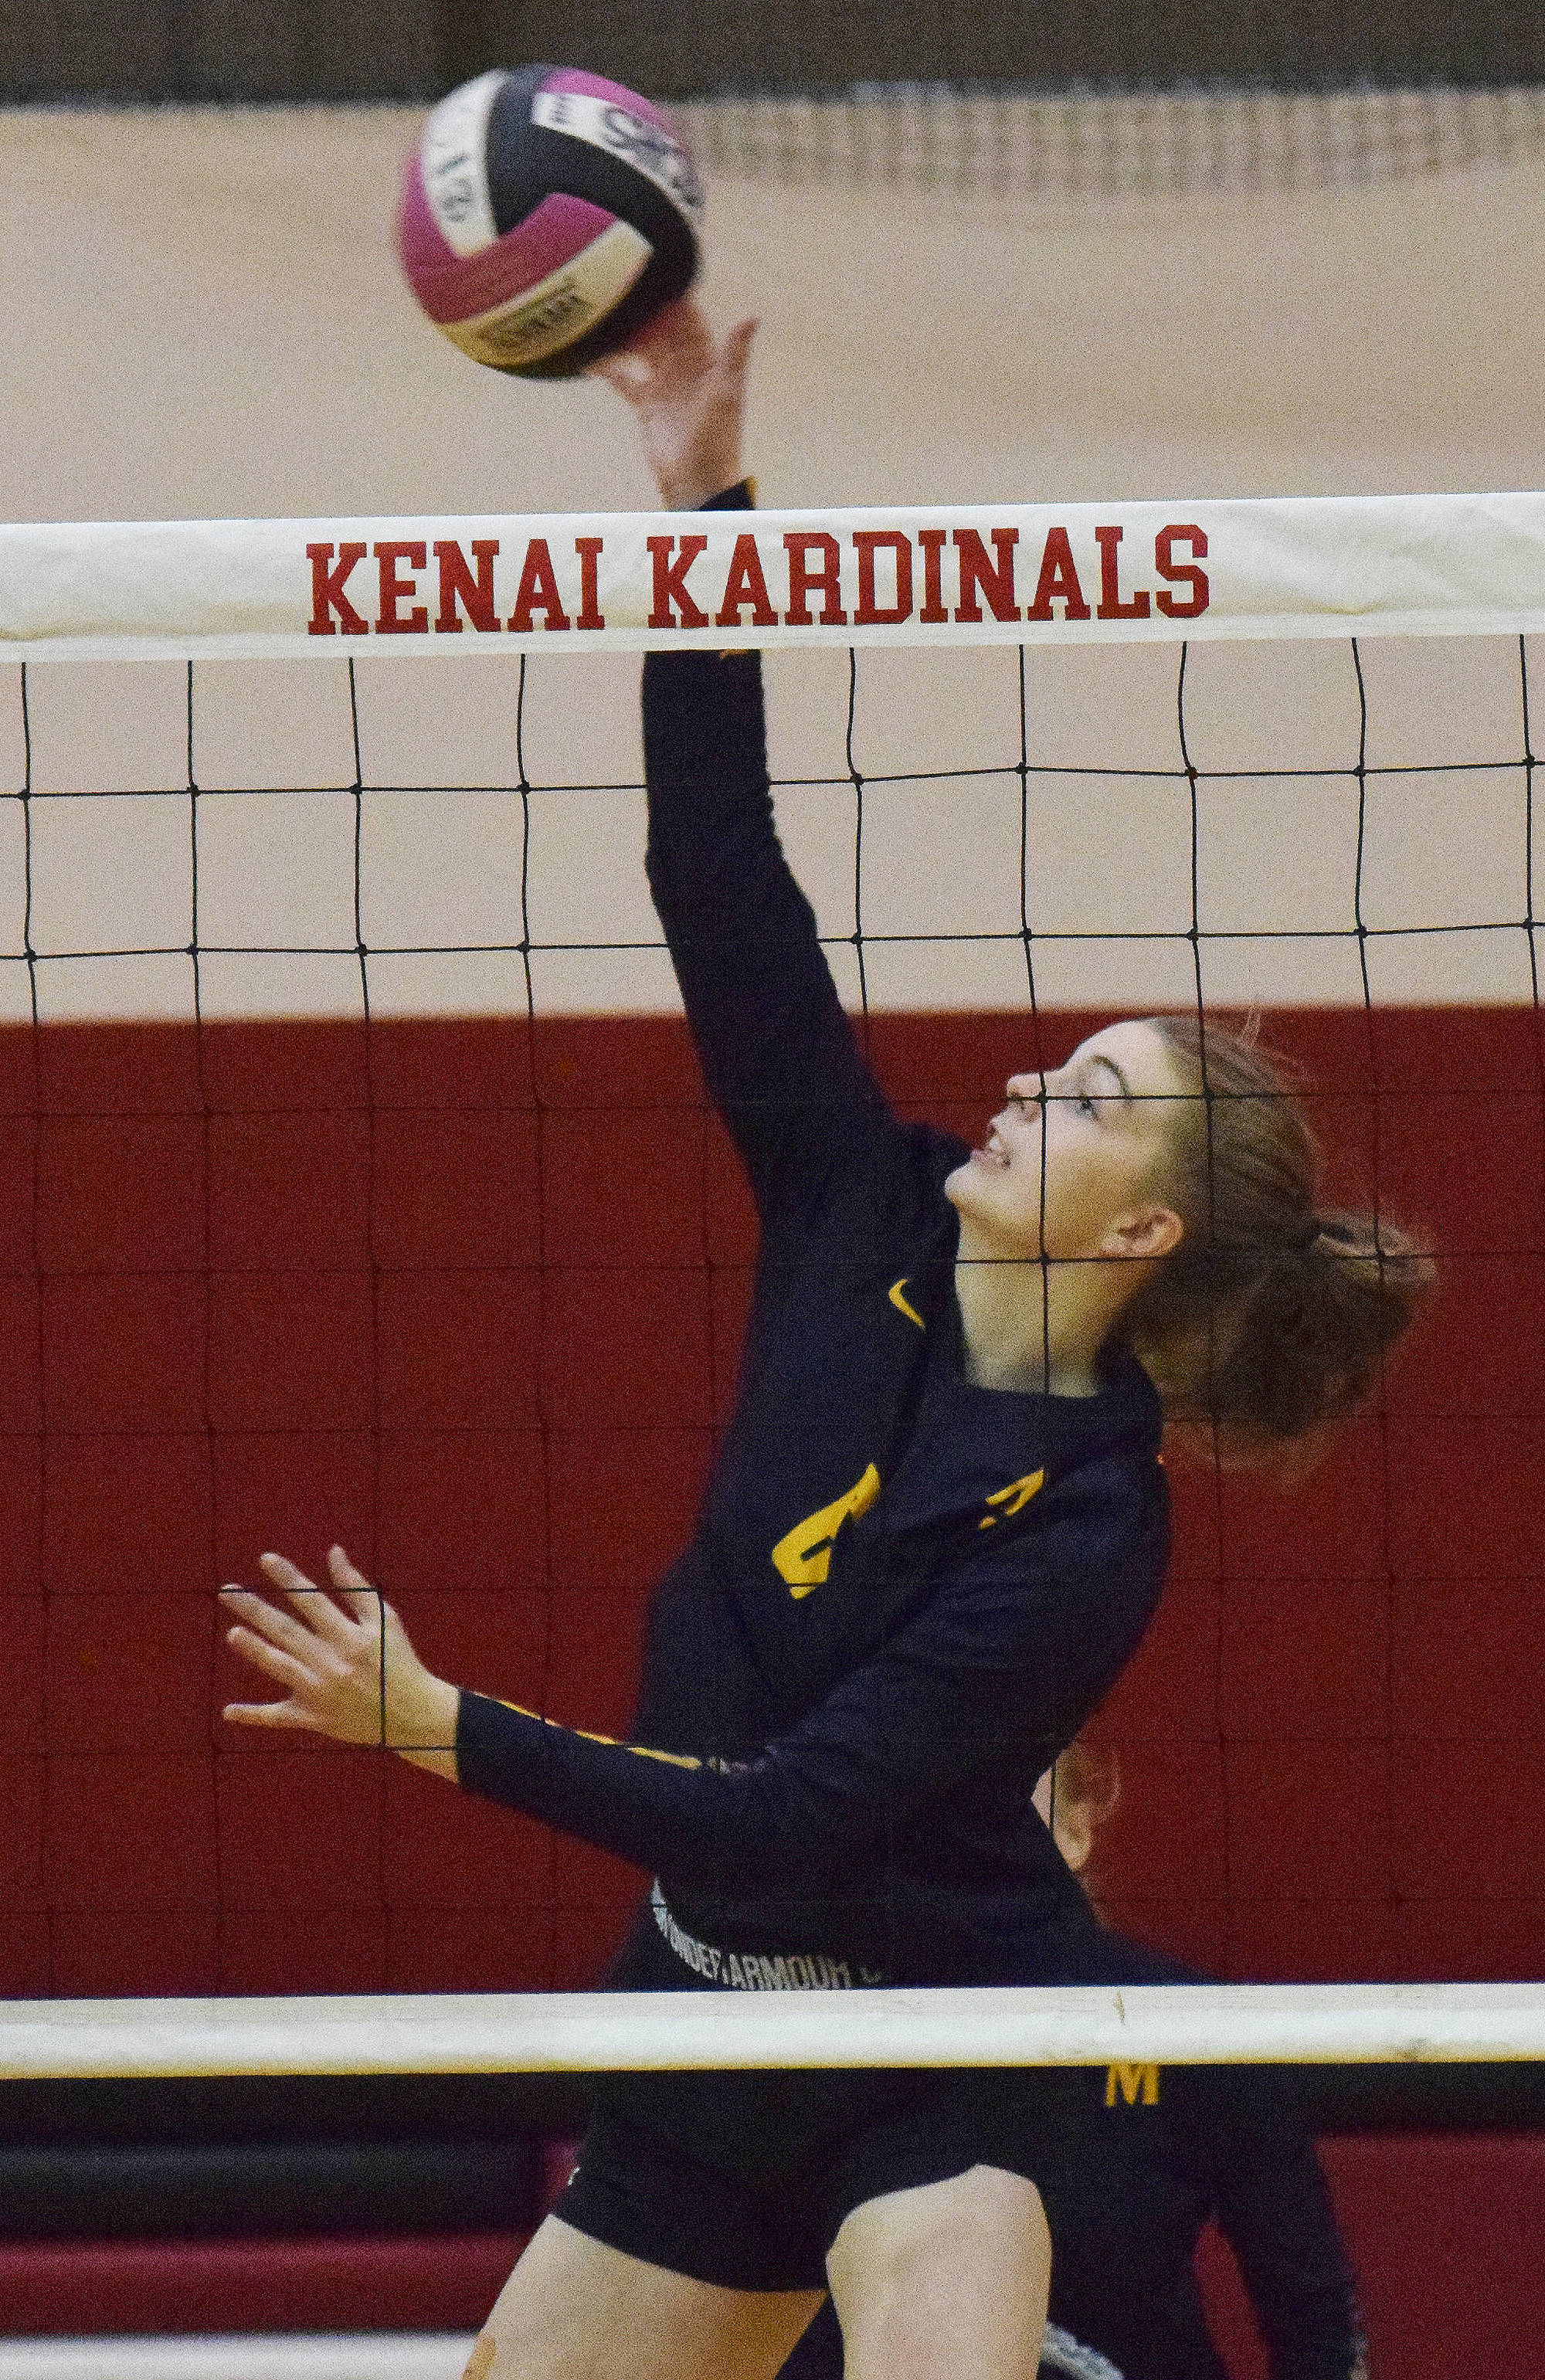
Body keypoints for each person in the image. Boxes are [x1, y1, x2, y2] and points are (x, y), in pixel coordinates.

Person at [220, 301, 1427, 2380]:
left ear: (1140, 1228)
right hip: (699, 2019)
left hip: (942, 2068)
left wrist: (436, 1726)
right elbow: (718, 869)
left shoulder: (1085, 1529)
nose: (1035, 1082)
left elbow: (790, 1821)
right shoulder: (852, 1200)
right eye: (1064, 1056)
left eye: (1096, 1097)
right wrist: (705, 499)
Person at [775, 1747, 1367, 2380]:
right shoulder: (808, 2034)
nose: (961, 1832)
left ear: (1079, 1825)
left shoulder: (1195, 2030)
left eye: (996, 1795)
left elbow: (1318, 2327)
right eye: (932, 1803)